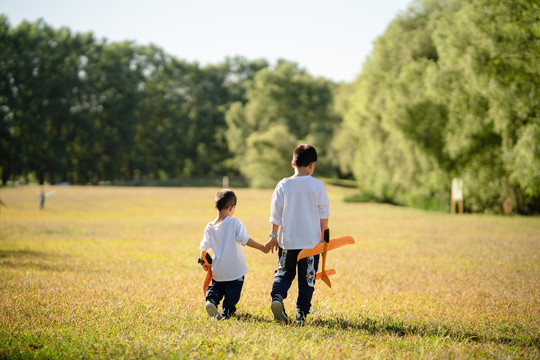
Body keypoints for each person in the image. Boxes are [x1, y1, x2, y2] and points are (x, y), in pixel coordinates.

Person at [265, 144, 330, 325]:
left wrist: (273, 237)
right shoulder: (317, 186)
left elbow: (275, 215)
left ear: (292, 163)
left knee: (283, 273)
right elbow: (324, 218)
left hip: (287, 243)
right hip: (311, 246)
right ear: (312, 165)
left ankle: (277, 297)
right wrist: (325, 241)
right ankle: (301, 315)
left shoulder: (283, 185)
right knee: (307, 280)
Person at [199, 189, 269, 320]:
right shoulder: (235, 223)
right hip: (235, 271)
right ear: (232, 208)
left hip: (218, 270)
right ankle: (227, 312)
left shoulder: (209, 227)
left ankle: (211, 301)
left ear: (215, 207)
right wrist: (262, 247)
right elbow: (245, 239)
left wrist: (203, 261)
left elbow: (204, 249)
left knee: (216, 288)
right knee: (232, 294)